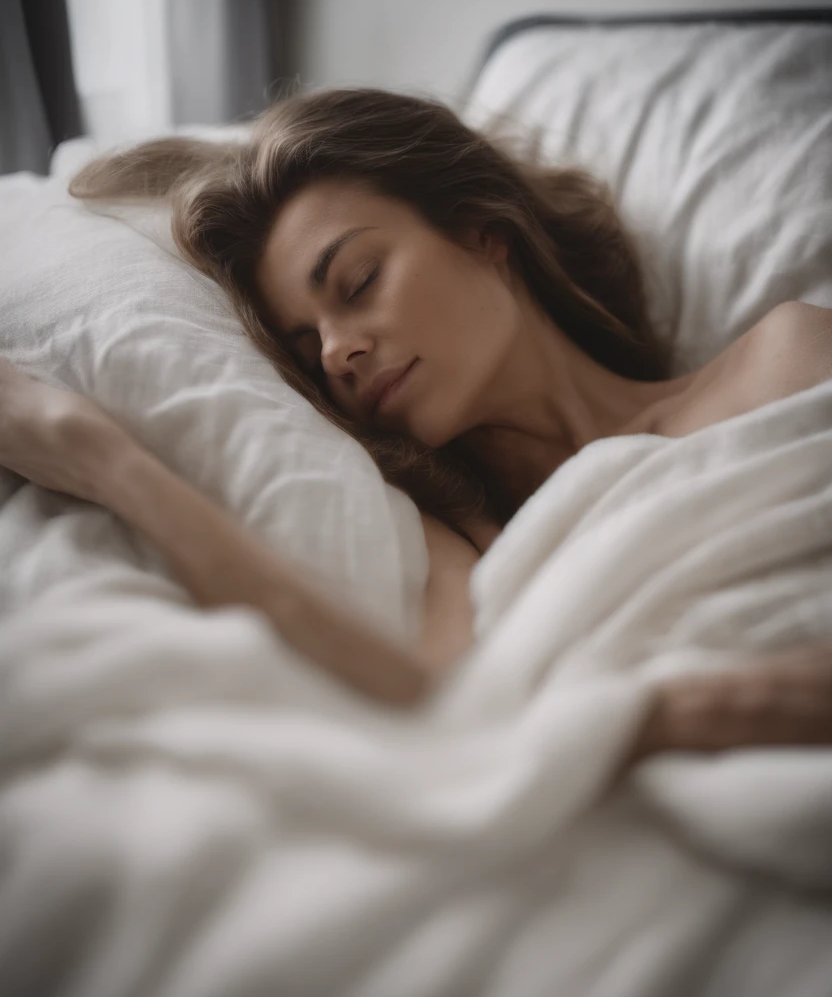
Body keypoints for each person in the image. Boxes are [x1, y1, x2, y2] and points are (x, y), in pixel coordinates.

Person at [1, 87, 831, 764]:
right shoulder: (463, 534)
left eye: (357, 282)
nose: (337, 352)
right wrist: (101, 456)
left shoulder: (786, 357)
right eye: (306, 342)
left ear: (482, 229)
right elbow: (425, 702)